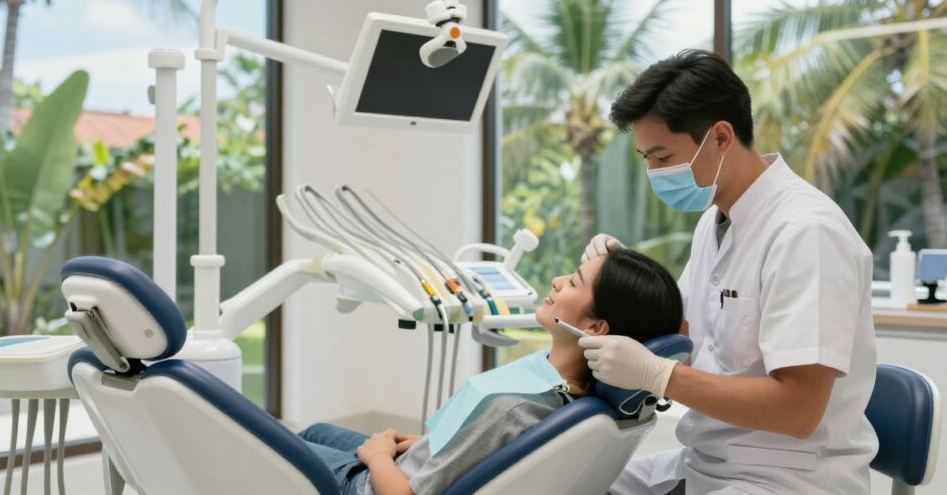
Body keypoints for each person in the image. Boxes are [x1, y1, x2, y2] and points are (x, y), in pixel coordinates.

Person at [578, 49, 878, 494]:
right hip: (707, 460)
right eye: (646, 158)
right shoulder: (716, 222)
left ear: (720, 137)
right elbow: (683, 331)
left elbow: (798, 410)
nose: (654, 173)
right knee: (574, 482)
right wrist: (623, 280)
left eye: (662, 157)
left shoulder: (806, 233)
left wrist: (659, 376)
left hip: (786, 478)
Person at [298, 248, 683, 495]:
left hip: (375, 485)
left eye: (574, 281)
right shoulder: (568, 395)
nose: (557, 281)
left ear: (596, 328)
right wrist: (436, 444)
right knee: (314, 432)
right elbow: (491, 447)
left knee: (276, 450)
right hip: (415, 462)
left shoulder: (513, 408)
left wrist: (378, 456)